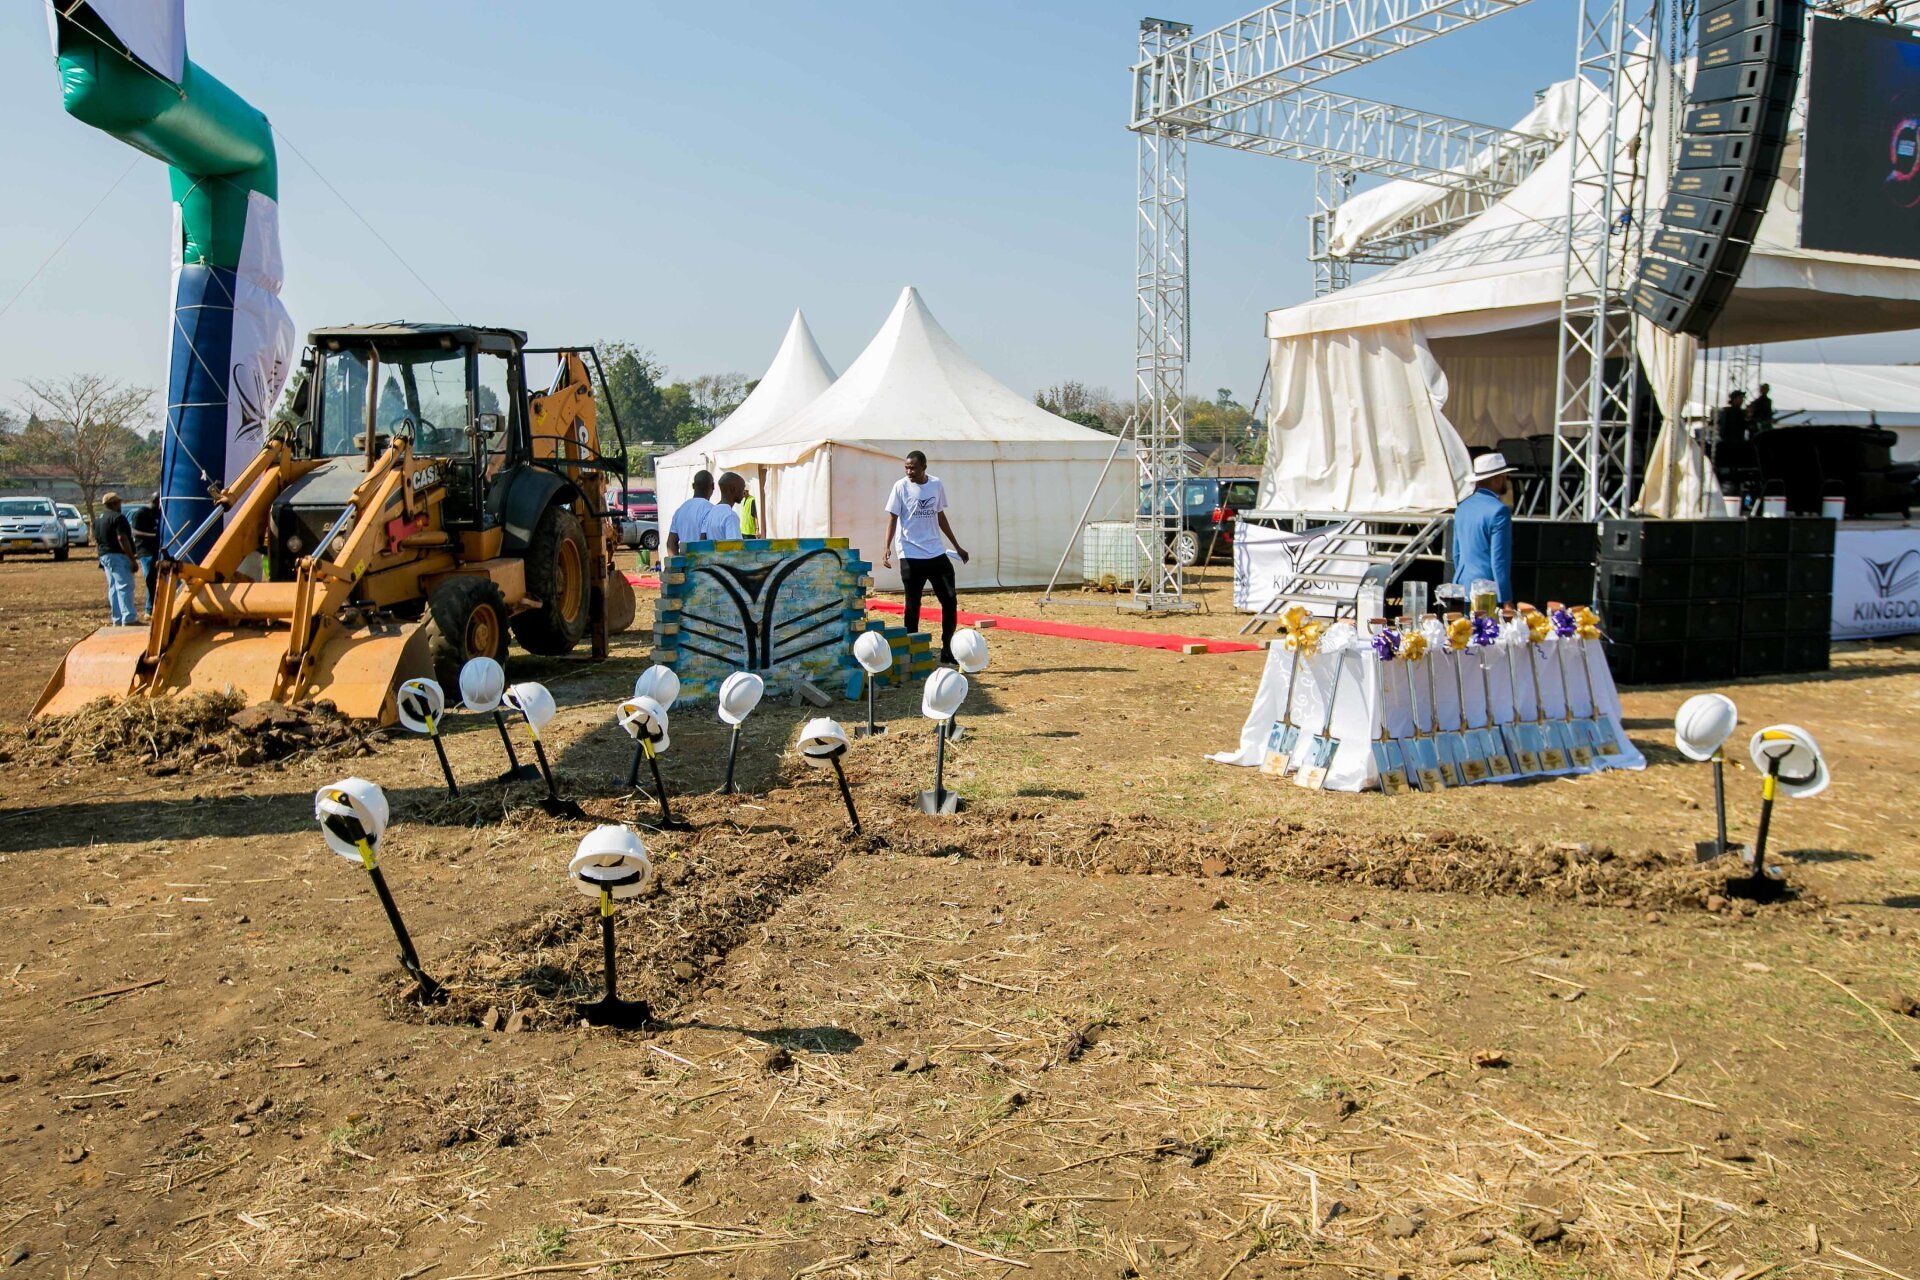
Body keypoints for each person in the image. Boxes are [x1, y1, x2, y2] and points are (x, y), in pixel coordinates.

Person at [882, 450, 970, 663]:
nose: (909, 471)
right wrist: (886, 547)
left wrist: (956, 546)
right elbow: (892, 518)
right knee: (913, 605)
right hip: (910, 553)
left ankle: (948, 650)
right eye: (906, 467)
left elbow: (940, 516)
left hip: (935, 552)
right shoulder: (900, 487)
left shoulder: (936, 484)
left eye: (913, 467)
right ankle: (911, 652)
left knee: (949, 600)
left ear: (924, 467)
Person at [1450, 453, 1514, 607]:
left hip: (1463, 586)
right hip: (1488, 591)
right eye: (1505, 477)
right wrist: (1506, 598)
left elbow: (1456, 554)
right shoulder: (1499, 511)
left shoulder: (1462, 508)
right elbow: (1499, 560)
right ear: (1497, 479)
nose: (1507, 481)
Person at [92, 492, 141, 626]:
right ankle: (129, 618)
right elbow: (122, 538)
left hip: (104, 555)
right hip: (118, 555)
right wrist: (132, 559)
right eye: (119, 502)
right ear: (114, 504)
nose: (120, 505)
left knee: (113, 588)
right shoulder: (118, 518)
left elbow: (96, 539)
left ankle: (117, 619)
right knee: (125, 586)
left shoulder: (98, 519)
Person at [665, 470, 716, 557]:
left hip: (686, 565)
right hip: (703, 566)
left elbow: (671, 543)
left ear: (693, 486)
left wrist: (678, 564)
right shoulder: (711, 510)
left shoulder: (680, 510)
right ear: (713, 486)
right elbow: (704, 542)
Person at [128, 490, 160, 611]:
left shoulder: (159, 513)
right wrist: (154, 535)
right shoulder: (141, 513)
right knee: (150, 579)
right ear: (155, 501)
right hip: (145, 550)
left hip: (157, 550)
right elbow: (134, 532)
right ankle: (149, 608)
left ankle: (156, 606)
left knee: (158, 580)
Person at [700, 472, 746, 542]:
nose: (744, 493)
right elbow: (736, 548)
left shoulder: (711, 512)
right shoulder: (730, 515)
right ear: (733, 489)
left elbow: (702, 538)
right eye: (742, 489)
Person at [1715, 389, 1749, 469]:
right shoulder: (1727, 411)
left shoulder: (1741, 412)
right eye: (1739, 398)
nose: (1741, 400)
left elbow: (1744, 425)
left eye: (1742, 398)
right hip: (1729, 443)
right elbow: (1723, 427)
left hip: (1739, 442)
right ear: (1734, 399)